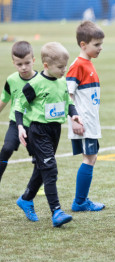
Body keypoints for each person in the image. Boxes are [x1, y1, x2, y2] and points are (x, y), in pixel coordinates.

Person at [15, 42, 84, 227]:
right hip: (38, 131)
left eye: (65, 67)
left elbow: (67, 102)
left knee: (42, 166)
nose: (64, 70)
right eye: (60, 67)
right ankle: (57, 212)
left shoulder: (62, 82)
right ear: (46, 66)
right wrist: (21, 127)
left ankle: (26, 199)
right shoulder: (35, 84)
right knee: (50, 168)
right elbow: (19, 106)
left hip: (55, 131)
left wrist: (74, 114)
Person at [66, 21, 105, 212]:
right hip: (83, 122)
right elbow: (68, 94)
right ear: (83, 45)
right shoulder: (78, 66)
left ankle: (81, 200)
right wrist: (74, 119)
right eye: (96, 45)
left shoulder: (87, 63)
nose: (100, 48)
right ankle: (80, 202)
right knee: (89, 158)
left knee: (92, 157)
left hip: (90, 121)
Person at [0, 41, 38, 184]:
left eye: (27, 63)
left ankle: (37, 186)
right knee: (6, 149)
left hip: (35, 125)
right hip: (16, 123)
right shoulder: (11, 80)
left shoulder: (41, 80)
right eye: (19, 64)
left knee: (38, 157)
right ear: (13, 63)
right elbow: (4, 99)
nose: (23, 67)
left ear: (33, 61)